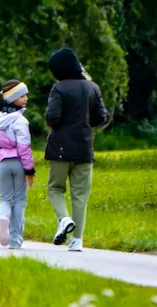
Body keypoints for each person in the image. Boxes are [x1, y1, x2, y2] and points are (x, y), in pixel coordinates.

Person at [43, 47, 109, 252]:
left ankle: (63, 220)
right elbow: (101, 117)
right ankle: (77, 241)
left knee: (55, 188)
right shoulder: (92, 88)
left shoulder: (59, 89)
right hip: (84, 148)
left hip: (60, 147)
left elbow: (52, 117)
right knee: (80, 195)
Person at [0, 79, 35, 248]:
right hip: (18, 164)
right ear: (13, 98)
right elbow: (24, 148)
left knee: (5, 199)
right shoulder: (20, 121)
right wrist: (29, 170)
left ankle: (3, 219)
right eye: (23, 95)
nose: (26, 98)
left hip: (2, 164)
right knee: (20, 201)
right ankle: (15, 240)